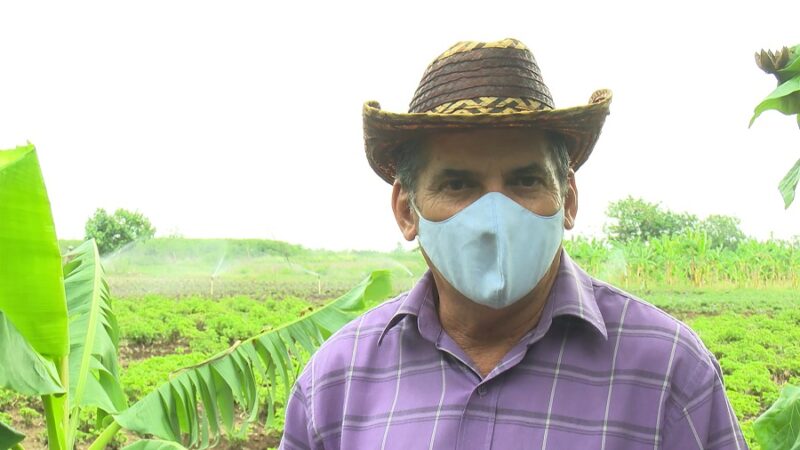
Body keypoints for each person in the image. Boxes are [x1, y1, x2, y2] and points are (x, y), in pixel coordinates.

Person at [280, 38, 747, 449]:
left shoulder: (670, 373)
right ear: (407, 210)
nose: (494, 217)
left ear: (567, 200)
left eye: (525, 181)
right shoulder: (336, 382)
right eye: (459, 185)